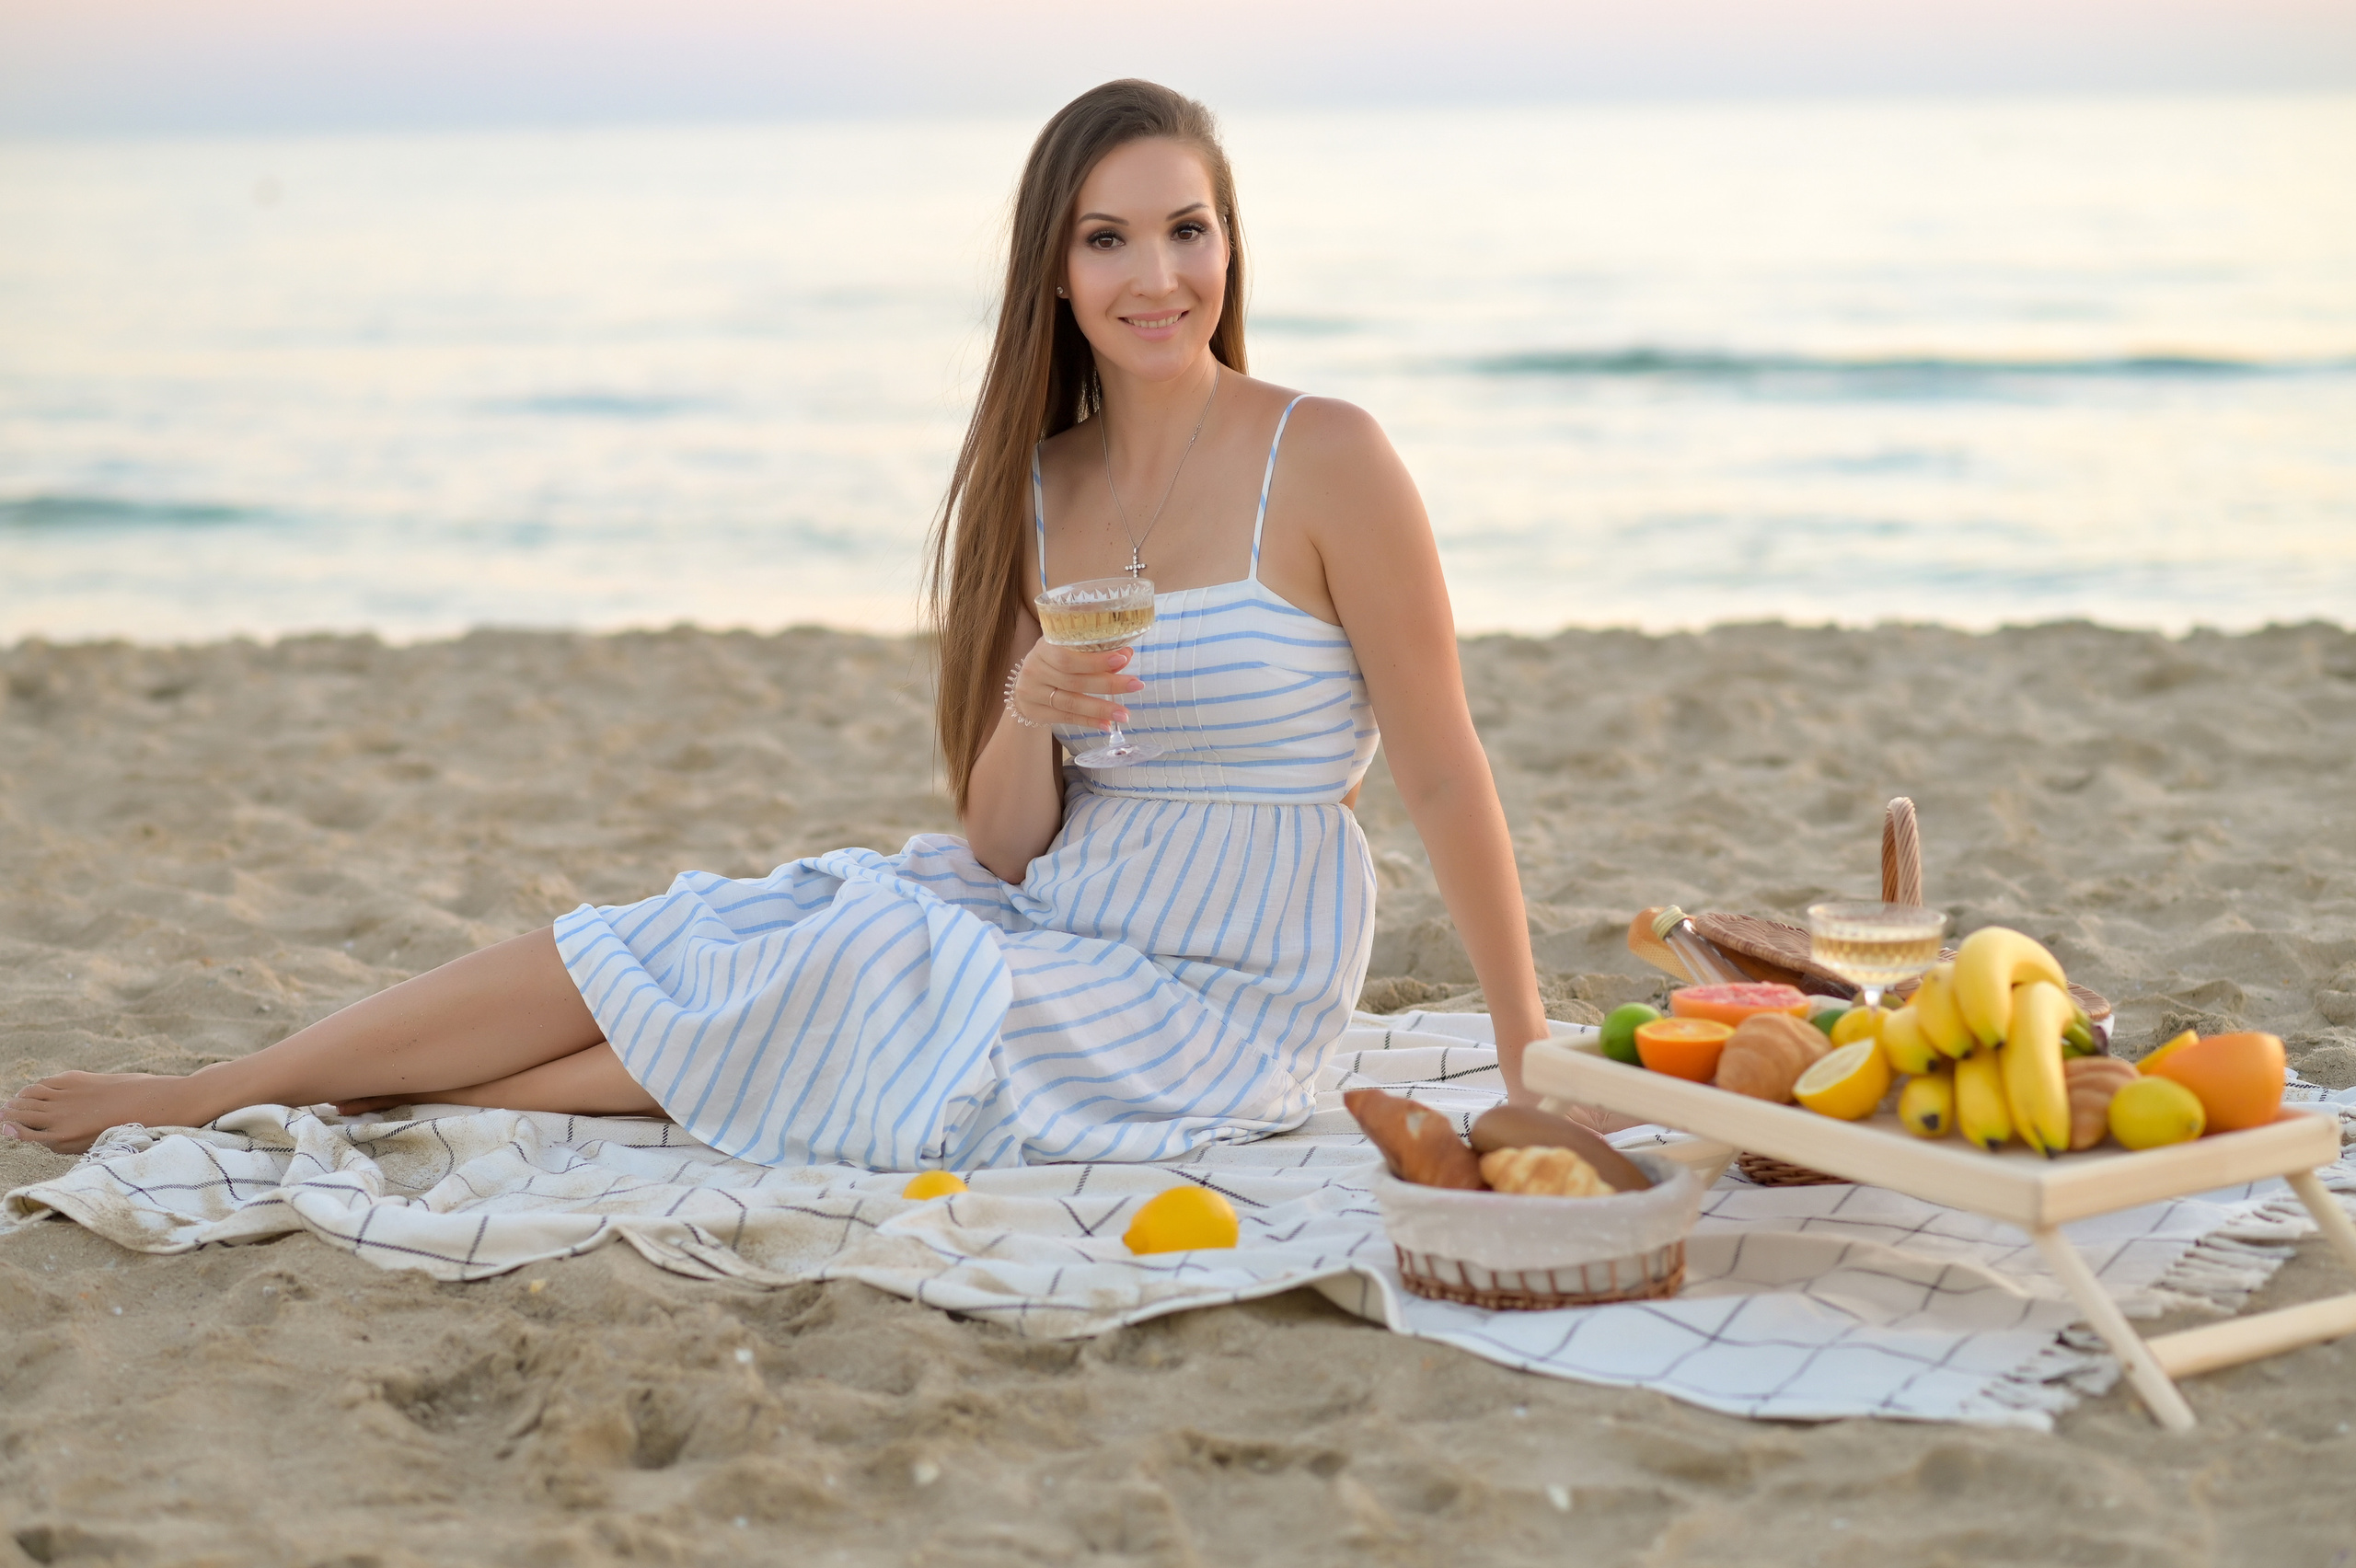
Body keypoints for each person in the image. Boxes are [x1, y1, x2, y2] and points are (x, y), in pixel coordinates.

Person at [1, 80, 1550, 1165]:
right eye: (1109, 239)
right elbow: (1008, 848)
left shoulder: (1327, 454)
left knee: (867, 970)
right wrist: (1028, 706)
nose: (1159, 276)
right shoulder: (1042, 485)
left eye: (1187, 229)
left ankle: (408, 1099)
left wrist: (1526, 1051)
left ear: (1230, 241)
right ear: (1058, 273)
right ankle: (224, 1084)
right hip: (1063, 914)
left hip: (1218, 988)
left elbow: (1443, 775)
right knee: (720, 930)